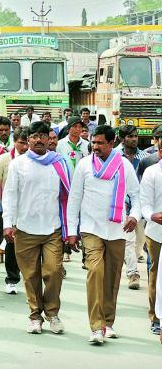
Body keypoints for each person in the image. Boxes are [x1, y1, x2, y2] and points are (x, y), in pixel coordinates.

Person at [67, 125, 140, 344]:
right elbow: (74, 199)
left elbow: (136, 196)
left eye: (100, 143)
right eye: (93, 142)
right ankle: (96, 327)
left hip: (117, 229)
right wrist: (72, 231)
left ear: (111, 143)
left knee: (112, 278)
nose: (95, 146)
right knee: (95, 272)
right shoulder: (84, 165)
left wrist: (134, 216)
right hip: (91, 229)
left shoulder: (124, 166)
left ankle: (108, 323)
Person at [2, 121, 70, 335]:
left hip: (53, 228)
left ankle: (52, 313)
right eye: (35, 136)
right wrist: (7, 224)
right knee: (30, 275)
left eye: (43, 135)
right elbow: (10, 195)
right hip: (25, 228)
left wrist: (72, 227)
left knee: (54, 272)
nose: (39, 139)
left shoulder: (60, 163)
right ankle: (35, 316)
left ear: (50, 139)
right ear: (28, 139)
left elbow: (70, 195)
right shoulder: (18, 164)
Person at [0, 127, 28, 295]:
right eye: (21, 143)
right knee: (11, 243)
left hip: (31, 210)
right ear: (14, 142)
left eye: (26, 143)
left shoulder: (38, 159)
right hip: (8, 209)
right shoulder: (4, 160)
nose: (24, 147)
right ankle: (12, 278)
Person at [116, 124, 149, 290]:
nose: (134, 139)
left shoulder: (145, 157)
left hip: (142, 205)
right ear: (122, 139)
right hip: (121, 204)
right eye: (130, 136)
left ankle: (132, 262)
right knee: (129, 241)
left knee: (139, 242)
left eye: (135, 136)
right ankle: (133, 273)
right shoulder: (114, 156)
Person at [139, 141, 162, 336]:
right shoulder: (152, 172)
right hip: (156, 232)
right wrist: (152, 215)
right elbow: (144, 202)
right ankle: (155, 317)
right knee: (156, 275)